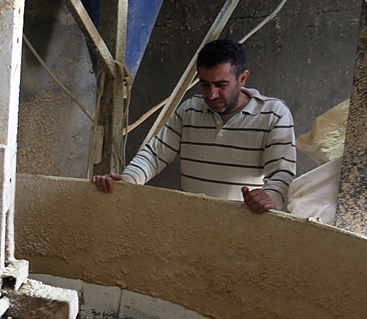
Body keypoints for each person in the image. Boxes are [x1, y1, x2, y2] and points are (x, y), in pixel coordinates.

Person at [92, 39, 296, 213]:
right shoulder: (190, 110)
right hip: (192, 225)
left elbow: (281, 173)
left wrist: (270, 198)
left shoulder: (273, 114)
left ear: (242, 78)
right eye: (204, 84)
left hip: (244, 230)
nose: (211, 94)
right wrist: (126, 183)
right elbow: (154, 156)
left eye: (221, 85)